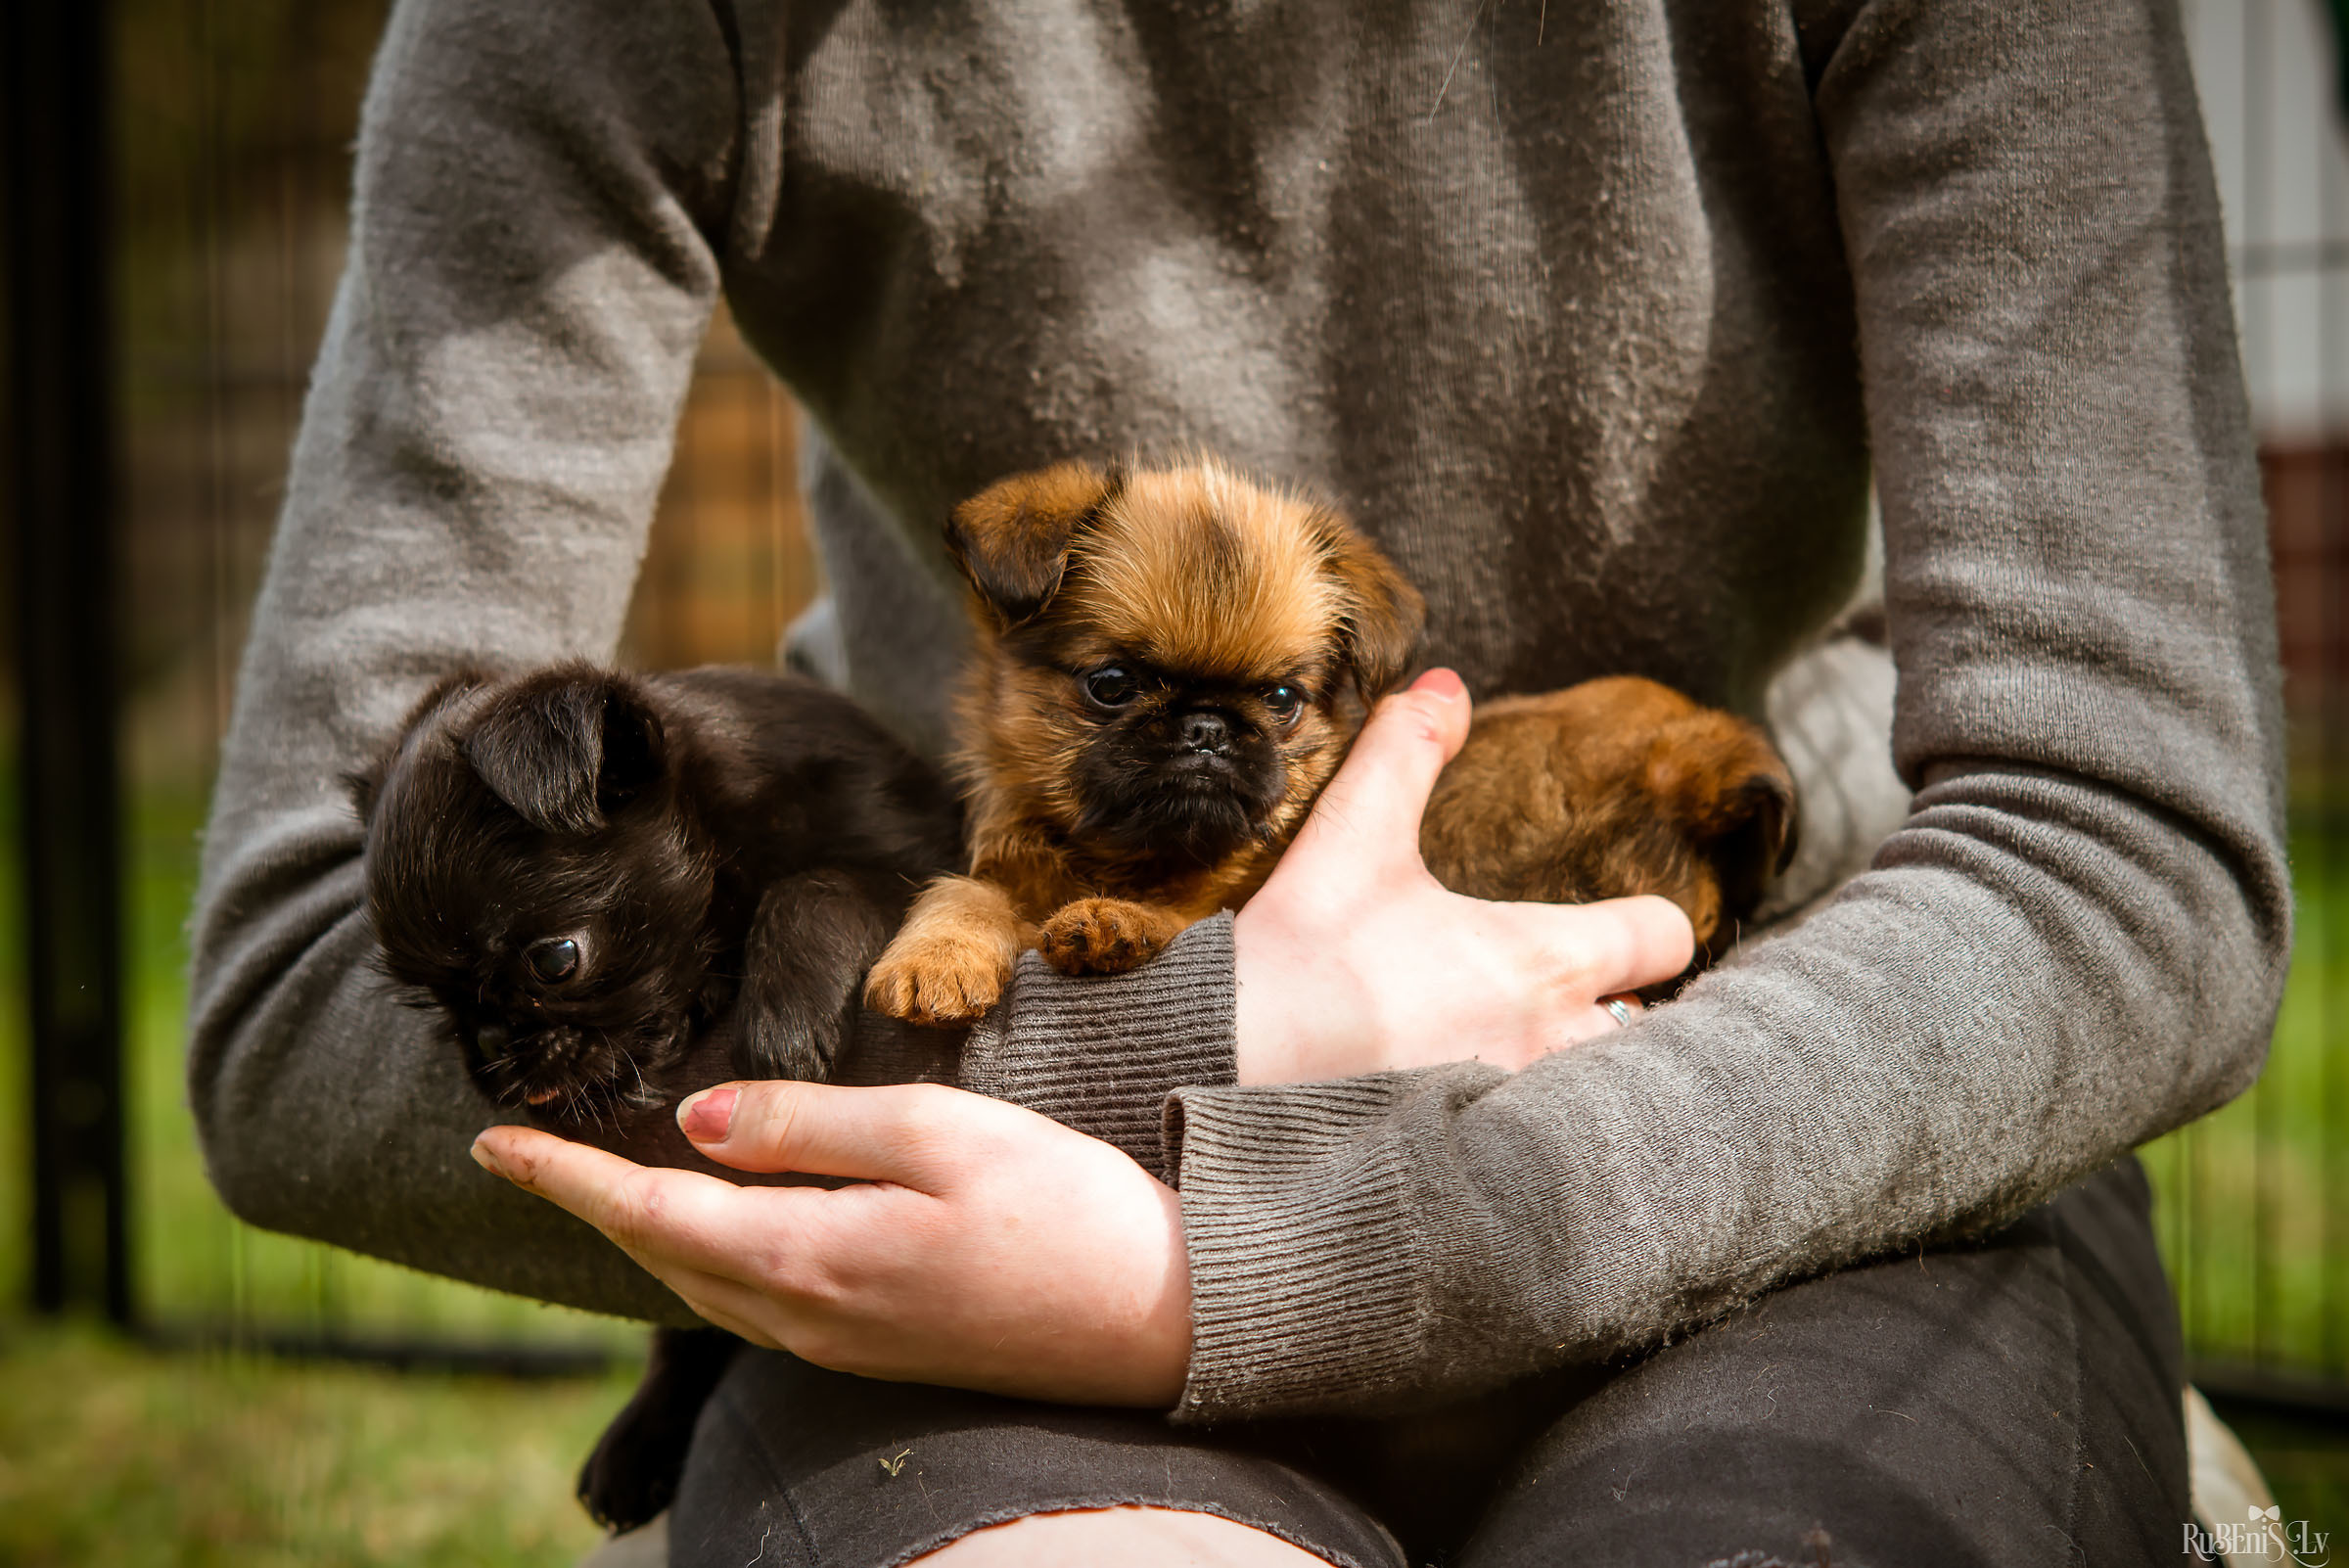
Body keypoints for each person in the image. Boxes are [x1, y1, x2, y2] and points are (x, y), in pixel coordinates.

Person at [188, 0, 2290, 1562]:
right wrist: (1180, 1055)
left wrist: (1275, 1250)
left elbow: (2124, 851)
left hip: (1785, 1092)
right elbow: (296, 1005)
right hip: (970, 1146)